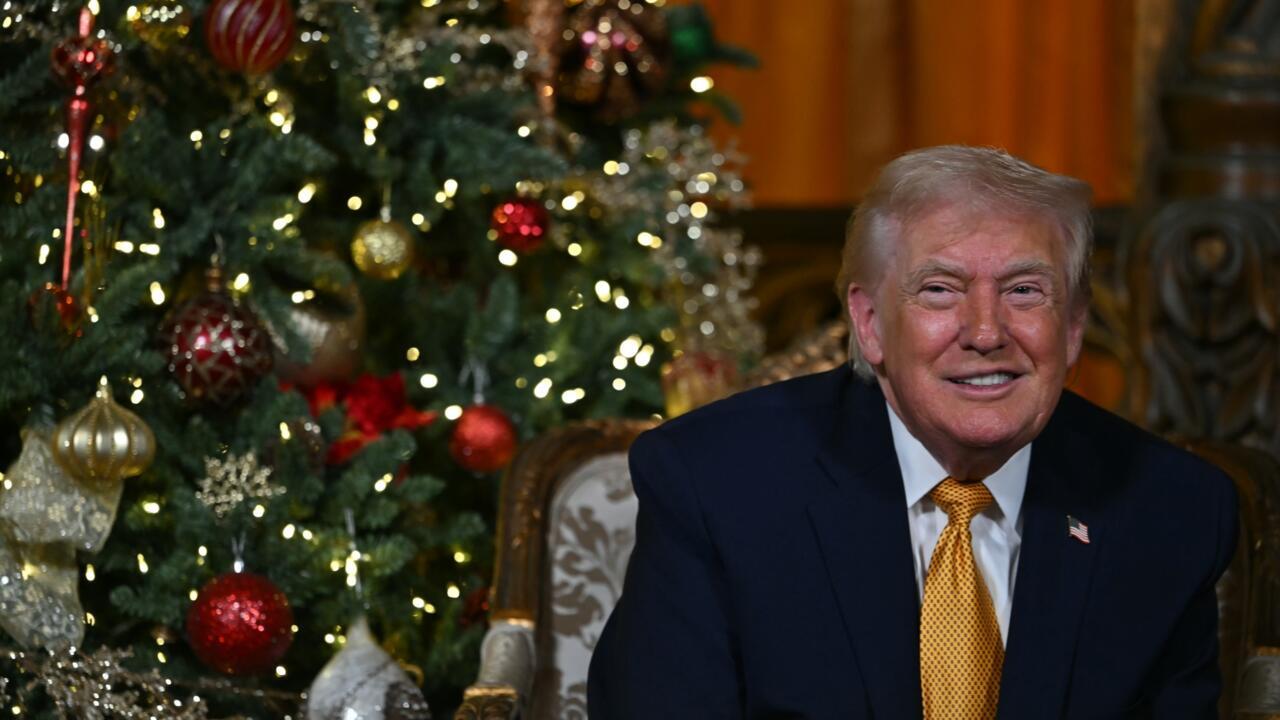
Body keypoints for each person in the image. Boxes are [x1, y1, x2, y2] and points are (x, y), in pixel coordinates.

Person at [587, 145, 1239, 719]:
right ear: (870, 324)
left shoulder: (1172, 512)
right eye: (939, 290)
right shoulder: (717, 484)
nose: (986, 332)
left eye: (1024, 291)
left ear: (1071, 328)